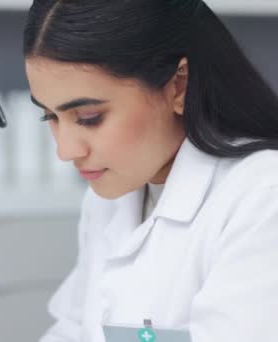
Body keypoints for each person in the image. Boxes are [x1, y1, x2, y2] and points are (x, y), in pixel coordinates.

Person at [22, 1, 278, 341]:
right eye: (50, 117)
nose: (66, 150)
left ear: (179, 84)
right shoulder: (109, 196)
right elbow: (71, 331)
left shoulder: (261, 199)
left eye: (88, 118)